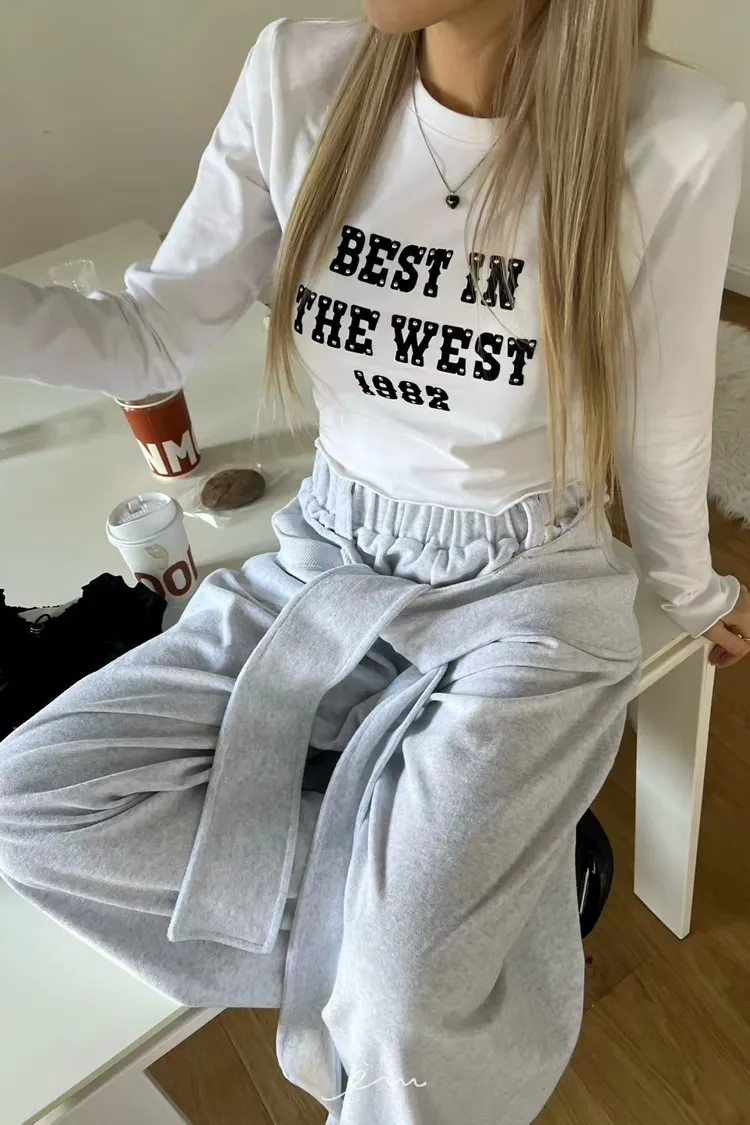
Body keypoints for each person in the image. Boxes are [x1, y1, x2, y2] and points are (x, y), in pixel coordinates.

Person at [0, 4, 747, 1122]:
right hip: (327, 556)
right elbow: (150, 339)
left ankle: (437, 924)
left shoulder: (676, 129)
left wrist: (693, 593)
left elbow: (661, 429)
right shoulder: (299, 72)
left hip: (524, 588)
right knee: (33, 800)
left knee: (402, 1020)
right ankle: (455, 910)